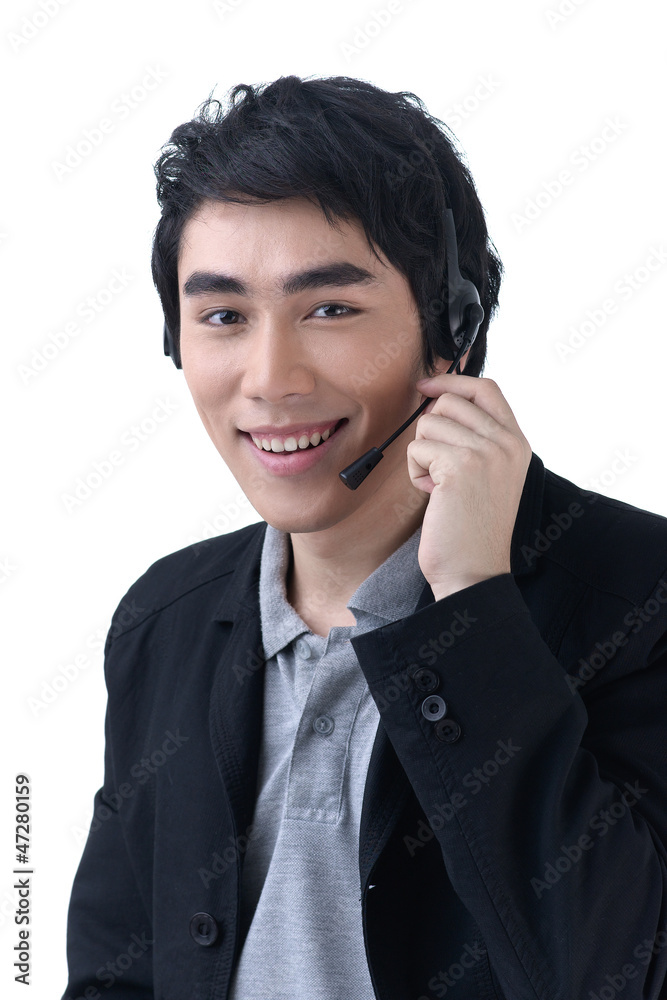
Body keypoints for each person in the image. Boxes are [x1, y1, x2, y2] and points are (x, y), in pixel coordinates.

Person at [61, 75, 667, 1000]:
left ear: (452, 331)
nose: (268, 379)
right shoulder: (164, 619)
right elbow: (115, 979)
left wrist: (469, 604)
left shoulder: (640, 599)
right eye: (222, 316)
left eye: (329, 309)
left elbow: (612, 973)